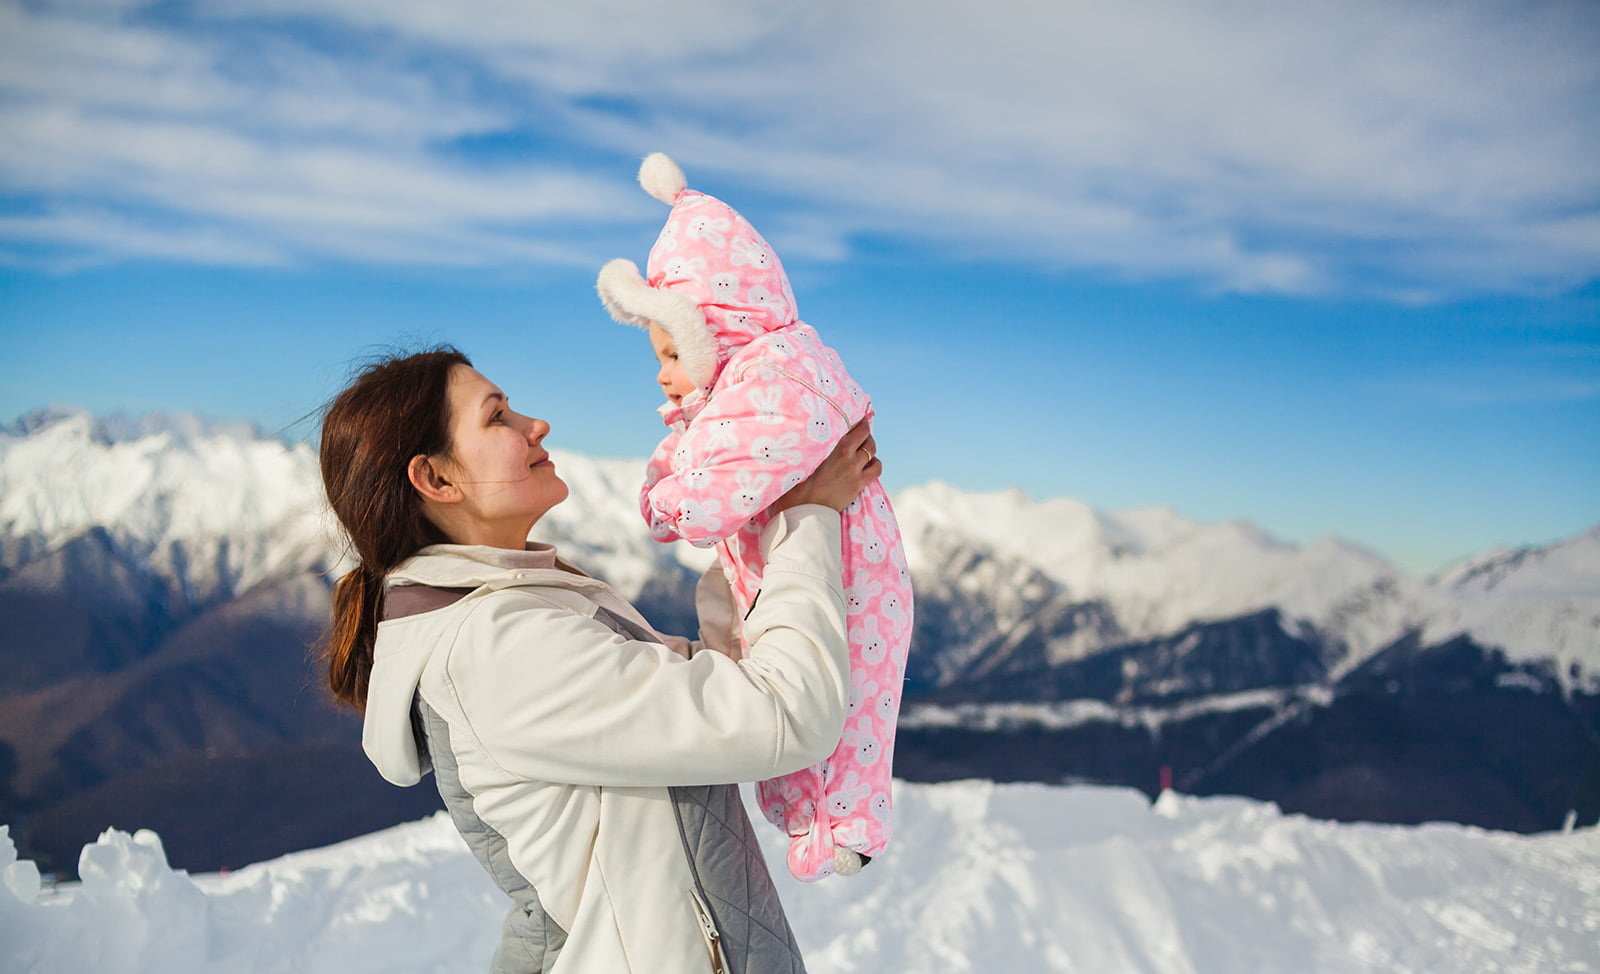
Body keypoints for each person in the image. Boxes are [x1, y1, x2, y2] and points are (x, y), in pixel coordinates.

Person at [318, 347, 881, 973]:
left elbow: (715, 684)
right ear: (437, 480)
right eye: (497, 416)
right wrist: (809, 518)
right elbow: (784, 712)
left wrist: (755, 527)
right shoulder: (495, 646)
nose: (536, 425)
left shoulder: (530, 602)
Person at [595, 153, 914, 882]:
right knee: (800, 687)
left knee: (845, 699)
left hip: (849, 576)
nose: (662, 372)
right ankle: (815, 819)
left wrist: (665, 483)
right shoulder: (776, 372)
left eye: (674, 350)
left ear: (719, 330)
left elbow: (702, 509)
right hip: (826, 563)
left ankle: (837, 826)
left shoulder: (773, 382)